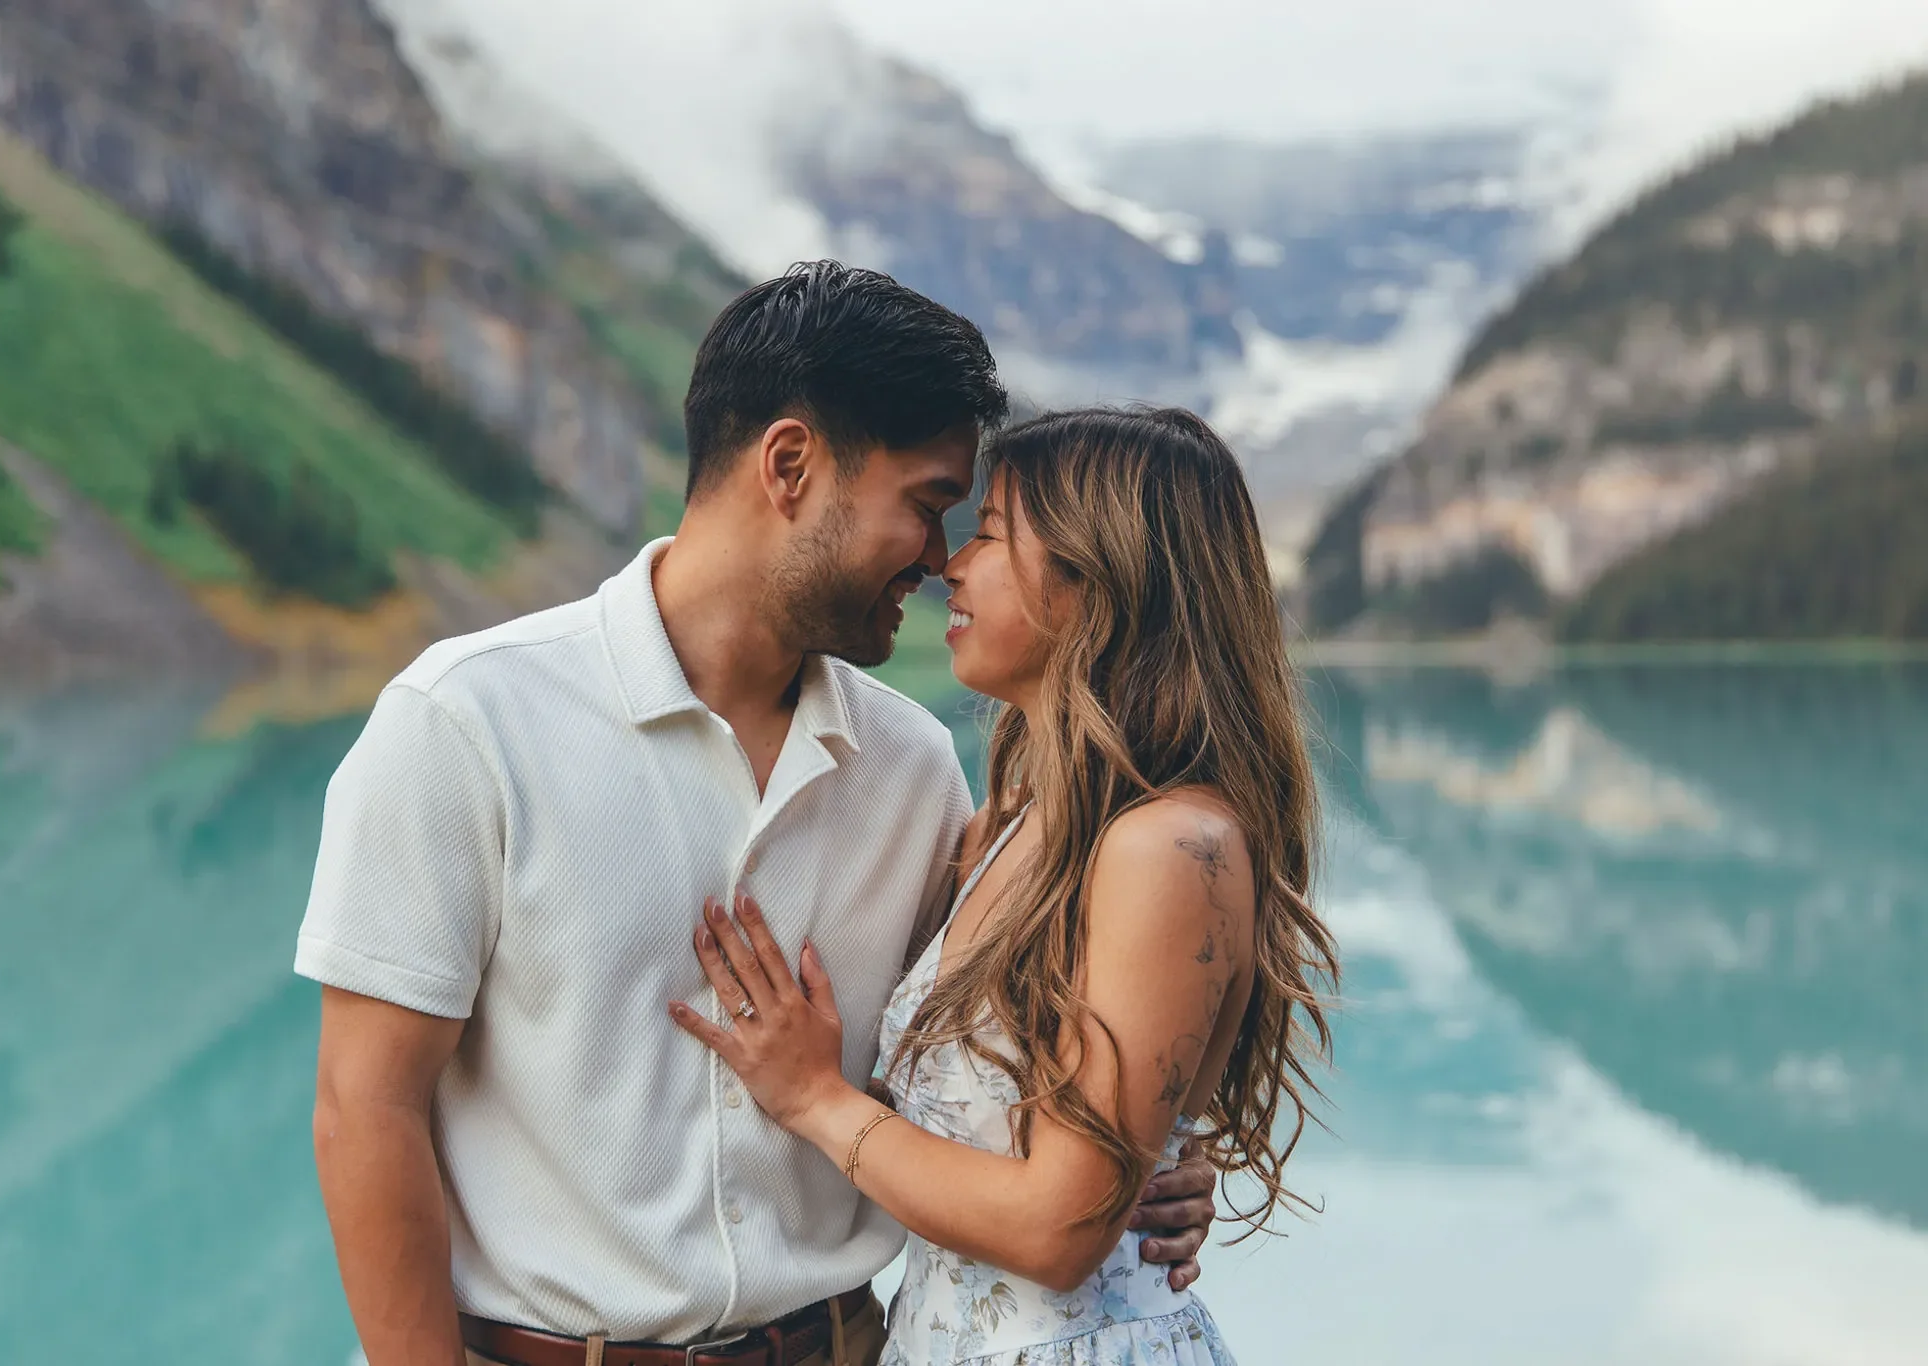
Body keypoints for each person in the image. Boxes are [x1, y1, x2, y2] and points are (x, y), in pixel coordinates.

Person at [297, 264, 1219, 1366]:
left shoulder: (915, 767)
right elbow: (365, 1109)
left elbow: (982, 1067)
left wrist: (1141, 1160)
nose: (939, 560)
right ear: (789, 466)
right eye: (926, 505)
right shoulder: (465, 723)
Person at [669, 407, 1340, 1366]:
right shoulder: (1008, 824)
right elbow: (987, 1142)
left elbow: (1058, 1233)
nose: (951, 565)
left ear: (1099, 577)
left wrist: (815, 1098)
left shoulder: (1168, 848)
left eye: (988, 533)